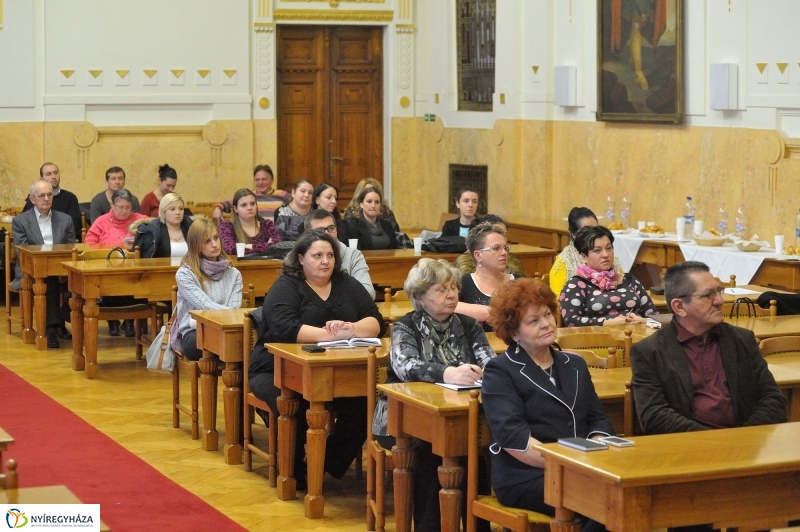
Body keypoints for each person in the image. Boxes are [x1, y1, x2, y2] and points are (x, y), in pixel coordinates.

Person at [630, 261, 788, 532]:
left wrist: (740, 441)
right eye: (708, 295)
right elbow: (654, 416)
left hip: (745, 456)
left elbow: (773, 399)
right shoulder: (649, 352)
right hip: (686, 462)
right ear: (679, 307)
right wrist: (712, 444)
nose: (720, 300)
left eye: (720, 291)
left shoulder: (741, 340)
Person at [248, 231, 386, 488]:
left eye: (330, 255)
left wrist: (351, 329)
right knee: (294, 404)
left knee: (365, 406)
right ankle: (293, 470)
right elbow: (284, 328)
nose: (325, 261)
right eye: (317, 256)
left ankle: (323, 464)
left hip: (336, 370)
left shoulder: (346, 284)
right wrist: (328, 335)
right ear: (301, 259)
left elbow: (376, 320)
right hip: (276, 368)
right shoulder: (286, 287)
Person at [372, 258, 494, 531]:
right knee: (431, 450)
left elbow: (490, 364)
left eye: (453, 288)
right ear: (420, 296)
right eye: (441, 290)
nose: (451, 295)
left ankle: (477, 525)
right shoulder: (406, 326)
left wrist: (482, 371)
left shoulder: (469, 325)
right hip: (399, 418)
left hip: (460, 414)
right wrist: (447, 374)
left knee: (472, 447)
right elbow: (406, 367)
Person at [481, 278, 612, 532]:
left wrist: (595, 447)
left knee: (620, 494)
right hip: (525, 475)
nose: (546, 324)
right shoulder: (500, 371)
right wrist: (568, 463)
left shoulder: (574, 364)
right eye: (533, 321)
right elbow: (514, 438)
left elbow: (597, 418)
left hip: (580, 467)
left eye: (547, 314)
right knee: (601, 500)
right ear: (514, 332)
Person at [12, 181, 77, 348]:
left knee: (82, 280)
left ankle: (59, 320)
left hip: (61, 269)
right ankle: (51, 328)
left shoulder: (65, 219)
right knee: (47, 281)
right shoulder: (21, 221)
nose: (47, 198)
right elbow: (22, 252)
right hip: (31, 270)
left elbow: (72, 249)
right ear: (32, 199)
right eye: (42, 195)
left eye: (50, 195)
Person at [170, 219, 242, 361]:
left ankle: (238, 382)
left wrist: (232, 315)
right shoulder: (185, 274)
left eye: (216, 238)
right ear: (196, 246)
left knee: (245, 344)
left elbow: (235, 309)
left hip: (226, 331)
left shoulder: (234, 274)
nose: (214, 244)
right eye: (207, 241)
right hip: (193, 332)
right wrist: (230, 314)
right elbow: (206, 305)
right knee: (233, 345)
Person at [559, 225, 656, 327]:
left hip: (638, 336)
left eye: (609, 248)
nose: (605, 254)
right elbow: (571, 321)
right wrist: (607, 323)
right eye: (597, 250)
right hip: (599, 340)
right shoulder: (576, 285)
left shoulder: (629, 280)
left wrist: (643, 321)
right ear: (584, 256)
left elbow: (655, 316)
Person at [84, 188, 148, 337]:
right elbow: (89, 243)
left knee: (137, 281)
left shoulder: (140, 220)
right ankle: (112, 322)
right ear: (112, 205)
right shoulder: (102, 221)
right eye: (120, 207)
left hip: (133, 269)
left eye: (128, 207)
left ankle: (129, 322)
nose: (124, 211)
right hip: (108, 268)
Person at [456, 222, 519, 331]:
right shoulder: (462, 284)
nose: (504, 253)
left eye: (505, 248)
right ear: (478, 255)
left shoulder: (519, 282)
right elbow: (445, 307)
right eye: (496, 248)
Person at [549, 207, 623, 295]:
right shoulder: (563, 264)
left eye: (596, 229)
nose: (594, 234)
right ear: (573, 235)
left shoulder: (607, 255)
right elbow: (560, 301)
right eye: (587, 231)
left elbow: (623, 284)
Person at [304, 208, 375, 299]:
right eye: (320, 230)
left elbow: (368, 294)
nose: (327, 233)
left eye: (331, 228)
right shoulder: (300, 256)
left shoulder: (353, 255)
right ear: (307, 234)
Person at [23, 163, 82, 240]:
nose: (53, 177)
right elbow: (25, 222)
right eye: (48, 174)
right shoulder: (35, 197)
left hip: (61, 243)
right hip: (36, 242)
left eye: (56, 173)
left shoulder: (70, 198)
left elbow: (74, 227)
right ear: (42, 179)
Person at [454, 214, 526, 277]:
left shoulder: (513, 267)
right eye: (496, 233)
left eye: (504, 234)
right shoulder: (465, 272)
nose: (501, 238)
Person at [213, 164, 289, 223]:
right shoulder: (248, 196)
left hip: (276, 235)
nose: (260, 183)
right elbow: (227, 204)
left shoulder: (282, 195)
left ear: (272, 180)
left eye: (264, 179)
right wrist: (217, 209)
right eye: (257, 180)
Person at [218, 188, 281, 256]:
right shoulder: (227, 226)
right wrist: (266, 246)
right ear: (236, 209)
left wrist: (247, 247)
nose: (249, 208)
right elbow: (229, 248)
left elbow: (277, 246)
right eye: (244, 205)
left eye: (252, 204)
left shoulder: (267, 224)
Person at [130, 193, 193, 258]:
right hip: (161, 268)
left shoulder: (191, 228)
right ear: (163, 211)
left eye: (181, 209)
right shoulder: (152, 232)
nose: (178, 212)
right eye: (172, 209)